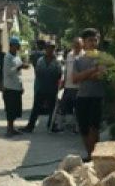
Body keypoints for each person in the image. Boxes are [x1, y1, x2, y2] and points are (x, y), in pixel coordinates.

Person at [71, 28, 106, 160]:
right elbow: (74, 79)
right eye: (89, 40)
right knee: (84, 128)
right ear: (84, 43)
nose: (92, 43)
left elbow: (101, 76)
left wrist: (84, 75)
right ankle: (89, 154)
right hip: (82, 97)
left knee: (94, 127)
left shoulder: (102, 58)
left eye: (95, 40)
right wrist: (93, 69)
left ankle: (94, 156)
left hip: (96, 96)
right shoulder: (78, 60)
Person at [25, 41, 63, 133]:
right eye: (48, 48)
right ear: (45, 49)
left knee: (52, 109)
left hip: (52, 89)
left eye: (52, 48)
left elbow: (59, 75)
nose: (50, 50)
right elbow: (38, 73)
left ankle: (51, 125)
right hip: (41, 88)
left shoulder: (57, 62)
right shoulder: (40, 60)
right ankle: (30, 126)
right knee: (36, 108)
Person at [57, 37, 83, 133]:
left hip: (79, 88)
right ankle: (60, 126)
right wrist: (63, 81)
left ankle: (77, 128)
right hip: (68, 86)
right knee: (62, 107)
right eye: (75, 45)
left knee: (77, 109)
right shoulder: (69, 55)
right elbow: (66, 70)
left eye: (78, 45)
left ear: (82, 45)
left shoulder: (84, 56)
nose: (76, 47)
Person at [1, 35, 26, 135]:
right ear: (11, 46)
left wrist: (21, 86)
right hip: (9, 87)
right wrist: (19, 67)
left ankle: (12, 128)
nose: (18, 47)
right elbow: (9, 72)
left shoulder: (17, 57)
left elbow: (19, 74)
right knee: (10, 110)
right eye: (16, 45)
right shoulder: (7, 57)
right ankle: (9, 129)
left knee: (16, 109)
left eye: (18, 45)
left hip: (16, 87)